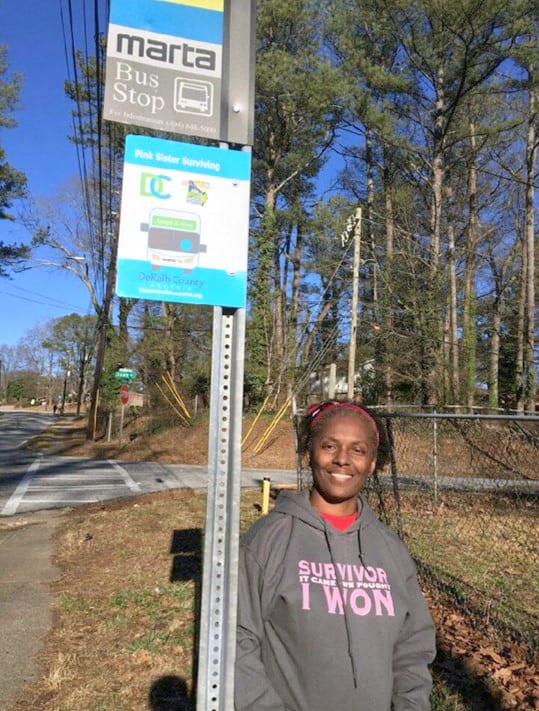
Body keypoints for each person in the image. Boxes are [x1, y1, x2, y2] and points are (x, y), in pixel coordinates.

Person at [235, 400, 436, 711]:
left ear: (372, 462)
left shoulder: (390, 549)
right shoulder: (267, 540)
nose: (342, 460)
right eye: (329, 446)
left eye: (358, 450)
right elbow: (238, 640)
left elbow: (412, 647)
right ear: (309, 453)